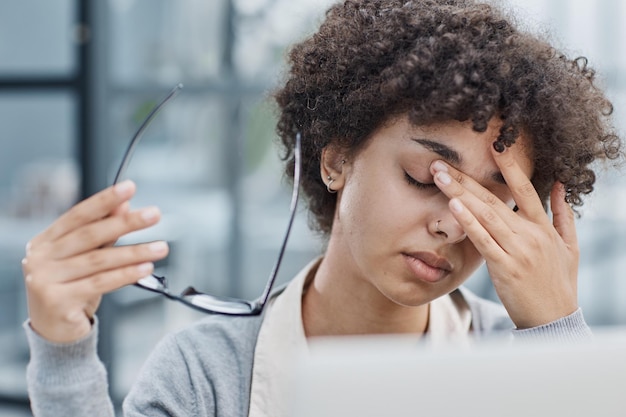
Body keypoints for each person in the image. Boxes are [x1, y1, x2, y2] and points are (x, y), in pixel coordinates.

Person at [22, 0, 622, 416]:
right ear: (335, 160)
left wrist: (557, 335)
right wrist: (65, 356)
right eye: (424, 177)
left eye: (490, 203)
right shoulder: (204, 376)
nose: (451, 222)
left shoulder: (519, 361)